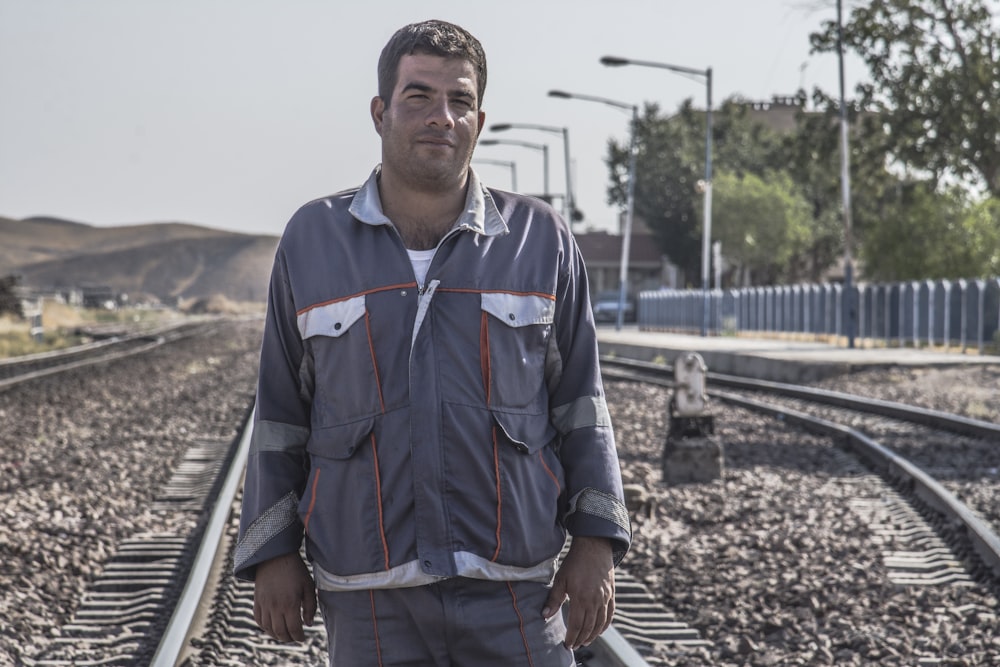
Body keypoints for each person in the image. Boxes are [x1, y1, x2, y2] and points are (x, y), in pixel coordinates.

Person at [234, 19, 631, 666]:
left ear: (480, 118)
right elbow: (280, 412)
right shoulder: (313, 240)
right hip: (369, 594)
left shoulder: (540, 240)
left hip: (515, 587)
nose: (441, 116)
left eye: (460, 101)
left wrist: (597, 543)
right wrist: (273, 551)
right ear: (380, 111)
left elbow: (581, 404)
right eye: (418, 97)